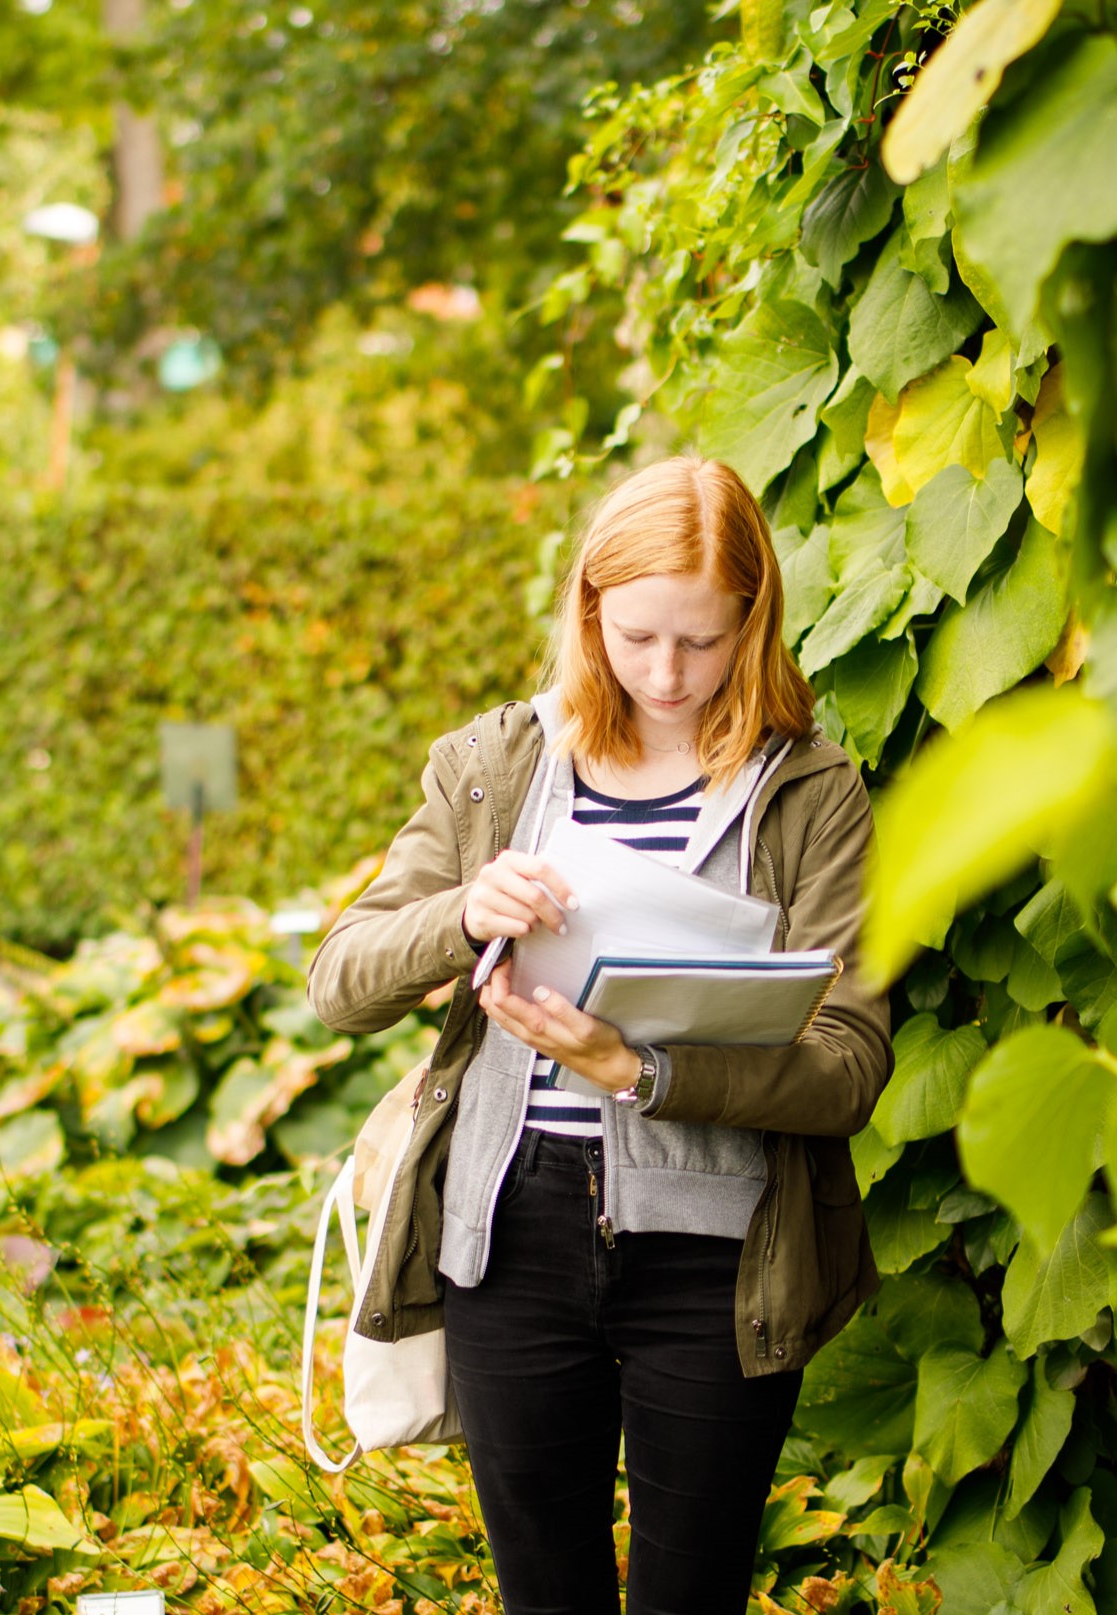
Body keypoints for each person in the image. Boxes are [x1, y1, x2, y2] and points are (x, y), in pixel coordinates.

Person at [308, 457, 893, 1615]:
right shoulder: (494, 767)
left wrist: (637, 1069)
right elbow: (338, 981)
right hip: (510, 1228)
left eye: (701, 640)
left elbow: (845, 1065)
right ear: (586, 611)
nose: (666, 675)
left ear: (751, 620)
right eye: (634, 638)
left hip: (717, 1249)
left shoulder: (811, 793)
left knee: (692, 1595)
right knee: (546, 1593)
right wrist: (460, 913)